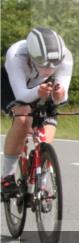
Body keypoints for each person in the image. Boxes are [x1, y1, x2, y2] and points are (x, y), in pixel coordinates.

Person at [1, 28, 74, 200]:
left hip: (42, 86)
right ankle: (7, 177)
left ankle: (43, 180)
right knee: (23, 118)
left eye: (54, 64)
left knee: (46, 133)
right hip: (12, 85)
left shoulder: (66, 57)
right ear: (32, 56)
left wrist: (58, 95)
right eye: (43, 63)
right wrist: (38, 93)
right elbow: (21, 95)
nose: (49, 68)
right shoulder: (16, 55)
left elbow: (62, 95)